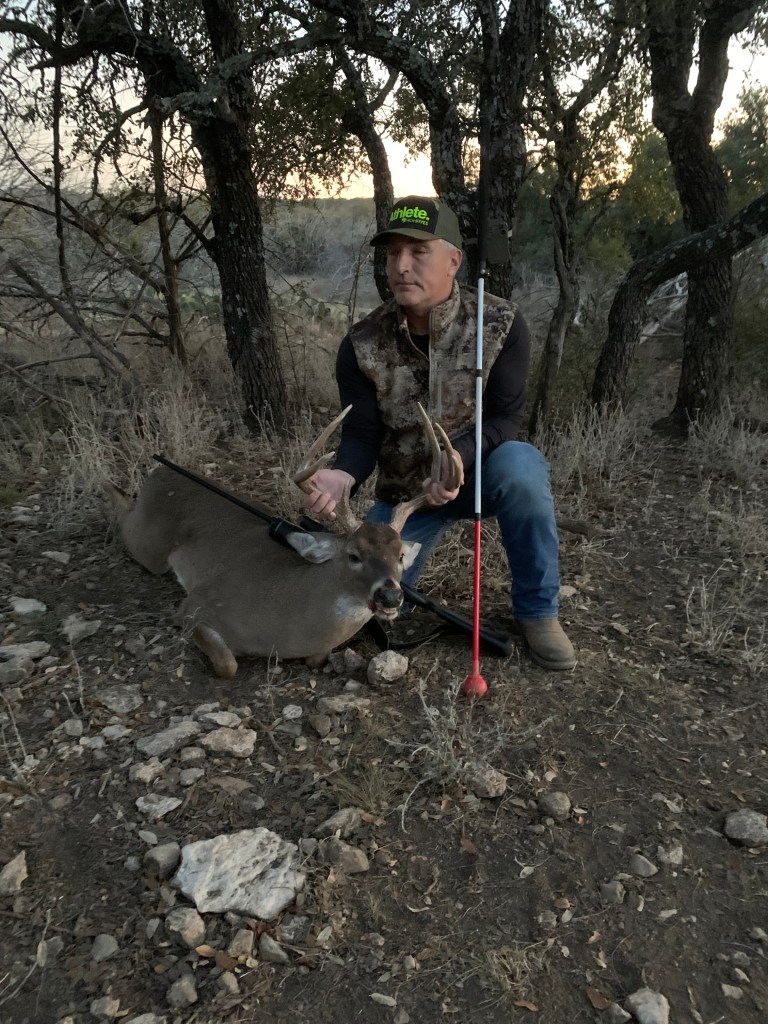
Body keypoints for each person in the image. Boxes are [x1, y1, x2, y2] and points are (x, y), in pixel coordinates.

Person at [302, 195, 575, 671]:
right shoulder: (362, 343)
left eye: (418, 252)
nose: (401, 266)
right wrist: (343, 474)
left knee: (522, 465)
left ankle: (538, 613)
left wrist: (458, 458)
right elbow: (362, 434)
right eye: (393, 253)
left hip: (481, 477)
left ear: (453, 261)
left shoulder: (501, 324)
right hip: (407, 501)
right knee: (373, 612)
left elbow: (506, 418)